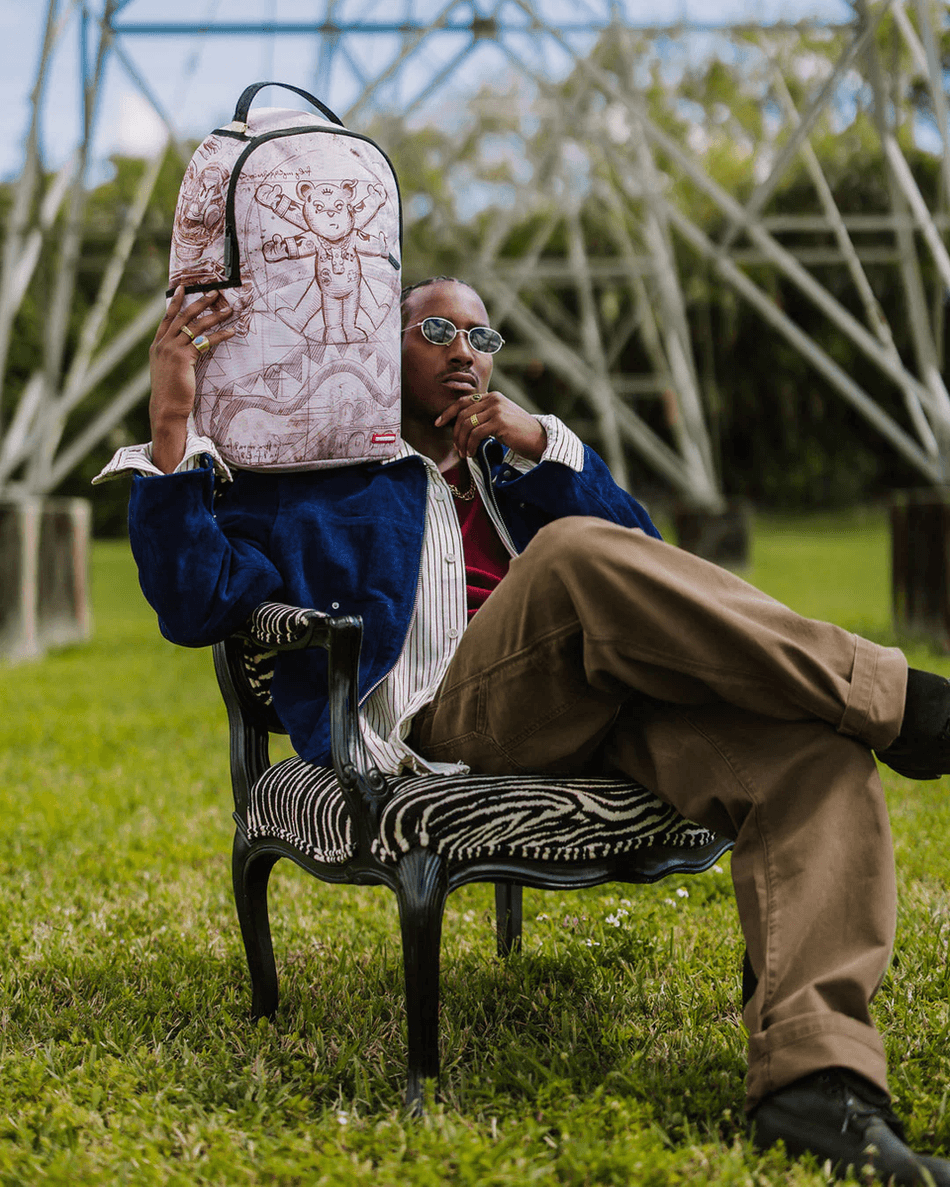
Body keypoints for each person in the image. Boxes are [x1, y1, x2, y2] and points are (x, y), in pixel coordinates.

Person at [99, 275, 950, 1185]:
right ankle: (906, 702)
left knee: (814, 753)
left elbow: (656, 572)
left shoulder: (514, 474)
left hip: (599, 711)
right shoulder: (322, 479)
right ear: (378, 345)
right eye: (436, 329)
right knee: (569, 554)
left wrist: (545, 446)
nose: (465, 350)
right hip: (439, 724)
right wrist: (172, 421)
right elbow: (196, 600)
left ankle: (817, 1083)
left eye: (482, 335)